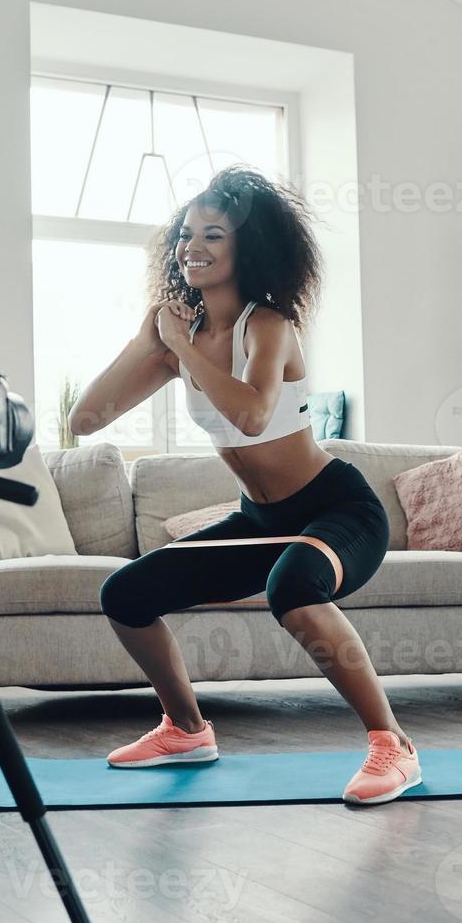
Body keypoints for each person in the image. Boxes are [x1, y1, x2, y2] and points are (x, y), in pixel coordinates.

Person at [68, 167, 420, 806]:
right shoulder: (182, 339)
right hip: (259, 520)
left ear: (247, 250)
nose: (191, 247)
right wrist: (148, 340)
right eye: (184, 234)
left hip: (337, 510)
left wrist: (182, 349)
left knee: (293, 589)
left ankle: (393, 744)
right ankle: (186, 729)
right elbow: (85, 419)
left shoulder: (270, 325)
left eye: (213, 235)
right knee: (126, 594)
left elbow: (253, 413)